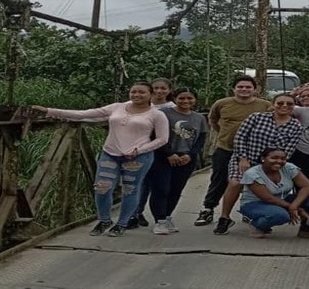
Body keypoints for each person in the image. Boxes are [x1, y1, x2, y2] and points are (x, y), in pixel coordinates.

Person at [32, 82, 169, 237]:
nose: (136, 95)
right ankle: (104, 220)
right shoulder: (117, 107)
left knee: (130, 190)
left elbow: (162, 139)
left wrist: (140, 150)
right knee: (102, 188)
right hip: (111, 152)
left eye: (141, 92)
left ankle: (122, 223)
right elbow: (85, 114)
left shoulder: (157, 114)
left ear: (150, 94)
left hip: (138, 156)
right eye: (133, 92)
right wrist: (49, 111)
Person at [213, 93, 303, 235]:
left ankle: (259, 215)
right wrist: (243, 158)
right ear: (273, 104)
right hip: (246, 158)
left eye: (289, 104)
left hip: (270, 165)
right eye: (280, 103)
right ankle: (224, 217)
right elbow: (240, 137)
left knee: (267, 190)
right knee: (235, 183)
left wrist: (273, 166)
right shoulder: (256, 117)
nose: (284, 106)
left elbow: (288, 150)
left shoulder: (295, 126)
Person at [194, 75, 271, 227]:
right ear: (233, 89)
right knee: (219, 179)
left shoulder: (265, 105)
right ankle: (208, 208)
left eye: (248, 87)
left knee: (254, 182)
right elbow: (213, 120)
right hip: (226, 148)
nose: (244, 90)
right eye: (240, 87)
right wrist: (224, 133)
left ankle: (250, 211)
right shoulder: (222, 103)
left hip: (253, 151)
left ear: (255, 89)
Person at [149, 88, 209, 235]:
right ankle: (159, 220)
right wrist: (169, 153)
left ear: (195, 99)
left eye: (190, 98)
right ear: (174, 98)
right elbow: (155, 134)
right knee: (161, 189)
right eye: (182, 98)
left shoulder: (199, 118)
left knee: (176, 189)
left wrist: (190, 154)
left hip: (186, 158)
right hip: (163, 156)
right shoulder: (164, 114)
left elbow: (201, 139)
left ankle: (168, 216)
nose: (186, 101)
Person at [239, 147, 309, 239]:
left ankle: (307, 230)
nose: (279, 161)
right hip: (255, 204)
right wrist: (293, 208)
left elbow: (308, 187)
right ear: (263, 159)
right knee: (281, 215)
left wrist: (294, 206)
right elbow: (268, 198)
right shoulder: (252, 174)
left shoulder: (289, 167)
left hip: (282, 200)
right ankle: (257, 225)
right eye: (274, 158)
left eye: (283, 159)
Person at [128, 77, 175, 229]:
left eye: (163, 88)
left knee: (155, 184)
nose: (160, 91)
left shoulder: (172, 107)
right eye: (156, 88)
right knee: (140, 182)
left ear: (169, 90)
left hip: (161, 149)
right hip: (139, 146)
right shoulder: (141, 104)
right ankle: (135, 213)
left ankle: (158, 217)